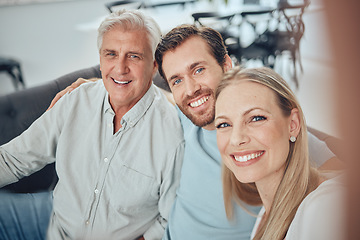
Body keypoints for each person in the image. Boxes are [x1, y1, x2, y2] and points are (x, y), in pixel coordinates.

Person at [51, 24, 341, 239]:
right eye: (177, 80)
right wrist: (92, 87)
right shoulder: (180, 117)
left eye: (199, 70)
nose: (190, 89)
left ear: (226, 65)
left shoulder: (269, 138)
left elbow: (340, 182)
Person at [0, 9, 184, 240]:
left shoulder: (173, 133)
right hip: (55, 229)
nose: (120, 67)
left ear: (155, 65)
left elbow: (171, 218)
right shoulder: (76, 100)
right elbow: (13, 159)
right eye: (111, 54)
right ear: (100, 59)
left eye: (134, 56)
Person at [214, 66, 345, 239]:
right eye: (224, 124)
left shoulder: (324, 209)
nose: (236, 139)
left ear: (293, 124)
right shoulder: (266, 212)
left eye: (256, 118)